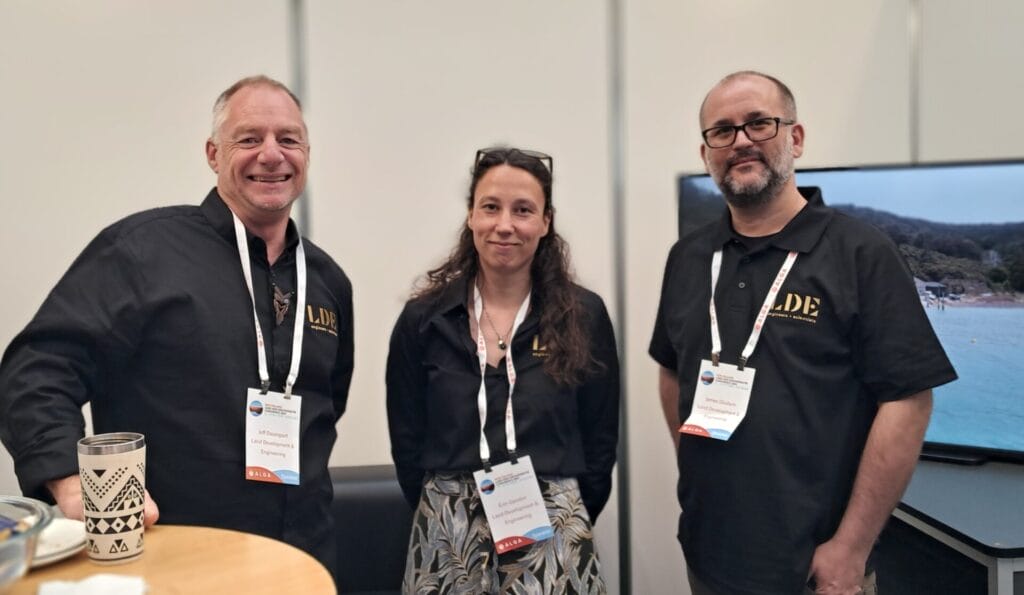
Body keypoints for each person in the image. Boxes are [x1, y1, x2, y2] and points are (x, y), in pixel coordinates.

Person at [0, 75, 353, 580]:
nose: (271, 155)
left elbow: (326, 405)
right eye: (249, 139)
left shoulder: (327, 281)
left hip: (303, 557)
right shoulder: (143, 252)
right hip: (174, 557)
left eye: (289, 139)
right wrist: (71, 479)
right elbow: (35, 371)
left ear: (307, 155)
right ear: (213, 154)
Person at [649, 71, 957, 595]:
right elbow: (671, 371)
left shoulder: (862, 253)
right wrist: (699, 472)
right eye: (721, 131)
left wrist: (851, 548)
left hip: (816, 569)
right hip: (709, 553)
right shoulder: (689, 257)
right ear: (706, 155)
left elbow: (908, 401)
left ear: (795, 138)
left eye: (759, 123)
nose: (741, 140)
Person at [386, 147, 619, 593]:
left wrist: (562, 509)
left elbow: (600, 441)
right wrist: (448, 506)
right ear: (471, 216)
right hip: (446, 533)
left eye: (523, 210)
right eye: (490, 207)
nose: (505, 225)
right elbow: (407, 439)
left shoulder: (584, 315)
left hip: (553, 534)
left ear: (546, 221)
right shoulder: (424, 319)